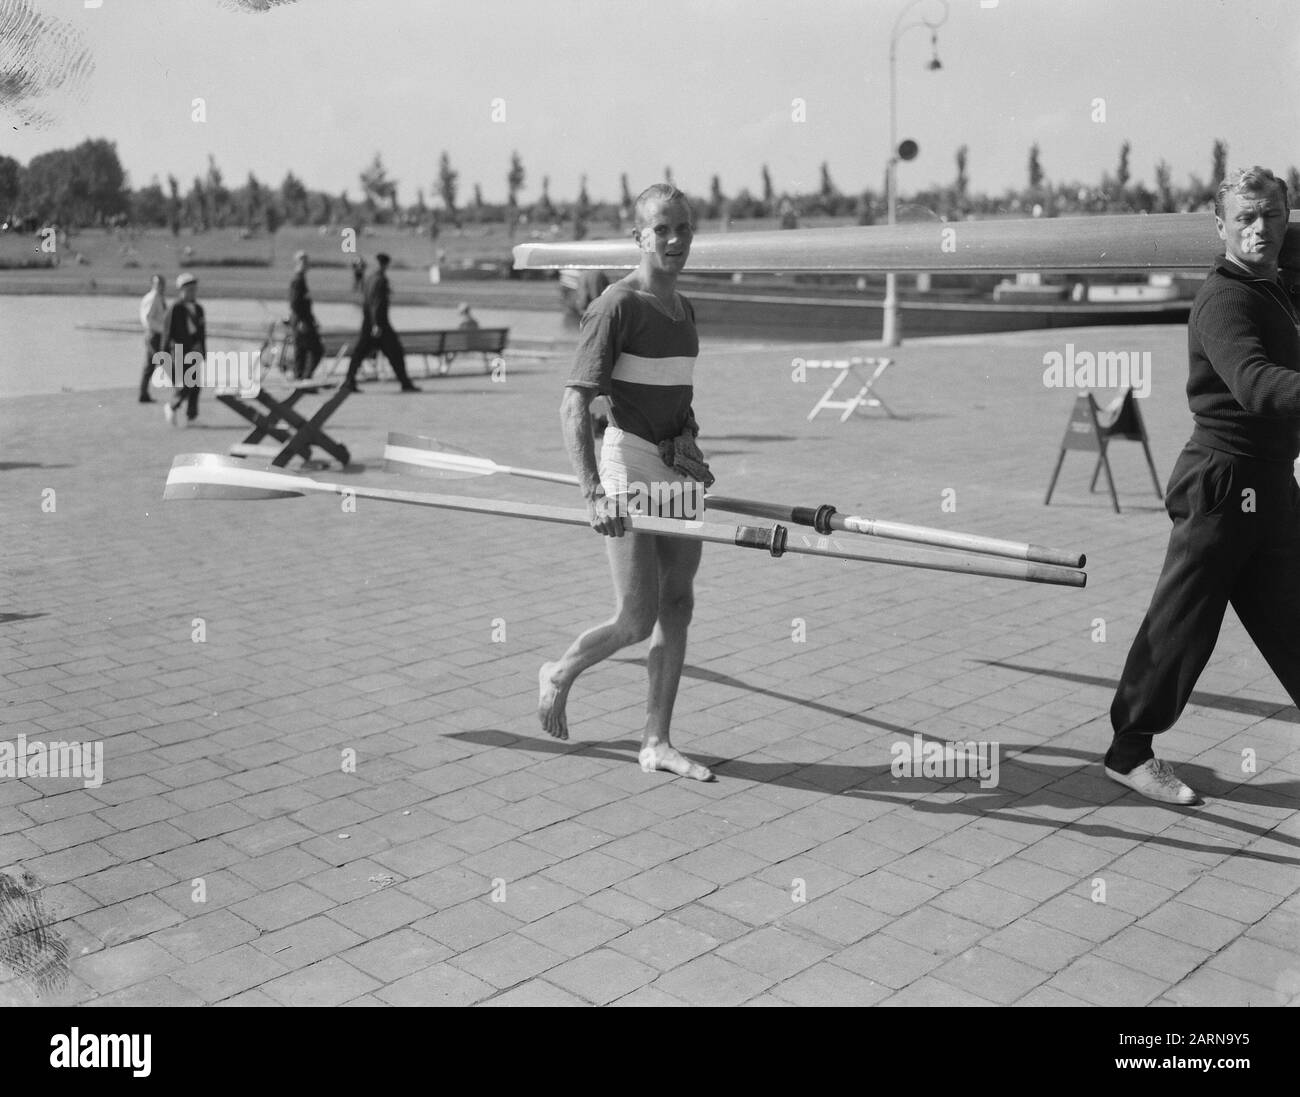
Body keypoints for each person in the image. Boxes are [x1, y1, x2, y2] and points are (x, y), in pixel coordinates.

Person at [1106, 166, 1300, 804]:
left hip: (1272, 485)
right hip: (1220, 483)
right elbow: (1256, 384)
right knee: (1182, 625)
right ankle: (1129, 754)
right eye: (1244, 218)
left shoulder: (1279, 284)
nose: (1259, 229)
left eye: (1272, 215)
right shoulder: (1225, 299)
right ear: (1220, 226)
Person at [538, 184, 715, 781]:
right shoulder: (615, 305)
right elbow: (573, 405)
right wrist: (592, 492)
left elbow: (674, 393)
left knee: (678, 605)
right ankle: (561, 670)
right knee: (637, 618)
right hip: (628, 463)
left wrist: (688, 444)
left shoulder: (685, 310)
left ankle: (656, 741)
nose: (674, 239)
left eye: (683, 228)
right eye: (661, 229)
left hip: (678, 466)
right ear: (639, 237)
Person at [342, 252, 420, 393]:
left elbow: (367, 301)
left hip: (369, 323)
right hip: (379, 324)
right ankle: (404, 382)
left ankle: (349, 381)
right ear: (385, 265)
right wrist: (376, 323)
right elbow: (377, 303)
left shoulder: (370, 278)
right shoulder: (380, 280)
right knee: (395, 352)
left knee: (360, 353)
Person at [162, 272, 206, 427]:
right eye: (189, 289)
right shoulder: (175, 308)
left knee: (196, 386)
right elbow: (167, 332)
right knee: (187, 383)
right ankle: (172, 406)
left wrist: (202, 350)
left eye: (194, 289)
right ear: (181, 290)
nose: (192, 292)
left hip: (195, 350)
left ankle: (191, 417)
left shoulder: (198, 308)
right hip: (179, 350)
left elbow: (201, 332)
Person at [288, 251, 324, 380]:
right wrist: (301, 321)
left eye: (306, 262)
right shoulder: (298, 280)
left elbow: (303, 303)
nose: (306, 264)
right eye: (303, 262)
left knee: (301, 351)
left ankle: (299, 378)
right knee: (317, 350)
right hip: (302, 322)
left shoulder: (301, 279)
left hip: (302, 320)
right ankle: (305, 378)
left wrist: (313, 319)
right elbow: (295, 303)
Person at [138, 273, 166, 402]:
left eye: (162, 284)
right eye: (157, 284)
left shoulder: (159, 297)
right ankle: (182, 389)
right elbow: (148, 318)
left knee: (150, 365)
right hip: (154, 335)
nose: (160, 286)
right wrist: (162, 330)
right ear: (153, 284)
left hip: (156, 334)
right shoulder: (153, 298)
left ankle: (143, 394)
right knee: (166, 361)